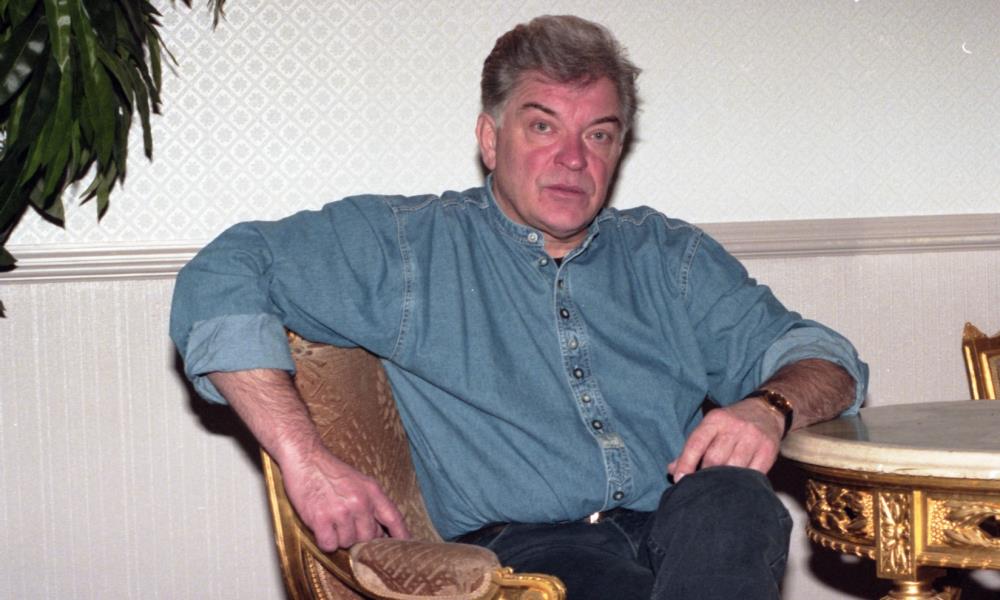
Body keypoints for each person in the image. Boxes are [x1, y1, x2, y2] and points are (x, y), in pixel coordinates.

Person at [170, 14, 867, 600]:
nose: (573, 159)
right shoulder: (410, 249)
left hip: (686, 523)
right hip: (532, 551)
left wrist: (768, 406)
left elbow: (827, 359)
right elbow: (222, 272)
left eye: (598, 134)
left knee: (739, 499)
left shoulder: (669, 257)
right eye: (542, 127)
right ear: (489, 138)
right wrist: (306, 459)